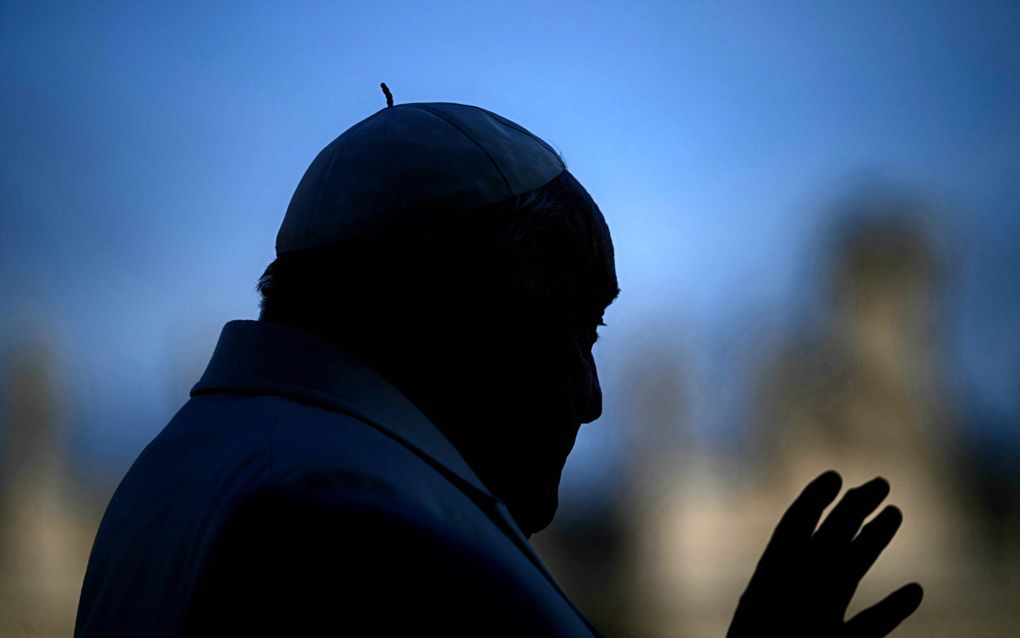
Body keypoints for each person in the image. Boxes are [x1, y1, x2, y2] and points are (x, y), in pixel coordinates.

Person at [74, 90, 923, 637]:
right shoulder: (346, 525)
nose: (593, 401)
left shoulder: (194, 468)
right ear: (454, 316)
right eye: (579, 333)